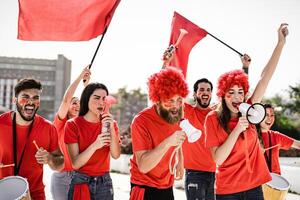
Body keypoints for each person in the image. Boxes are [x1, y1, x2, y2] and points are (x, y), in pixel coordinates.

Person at [205, 23, 288, 200]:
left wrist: (280, 43)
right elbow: (218, 159)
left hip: (254, 188)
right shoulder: (212, 119)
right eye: (231, 93)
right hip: (228, 192)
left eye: (240, 92)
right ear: (223, 95)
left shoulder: (251, 110)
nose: (237, 97)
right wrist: (236, 130)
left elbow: (265, 78)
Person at [162, 42, 251, 200]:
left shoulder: (217, 113)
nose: (205, 93)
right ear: (195, 94)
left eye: (208, 90)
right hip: (194, 175)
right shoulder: (187, 110)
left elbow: (240, 97)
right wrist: (166, 64)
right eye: (201, 90)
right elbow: (167, 92)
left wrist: (245, 68)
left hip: (217, 173)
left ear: (212, 94)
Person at [129, 67, 188, 200]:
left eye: (179, 100)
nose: (175, 106)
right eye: (169, 100)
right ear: (157, 100)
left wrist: (180, 159)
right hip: (144, 186)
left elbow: (179, 131)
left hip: (167, 184)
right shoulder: (141, 121)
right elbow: (143, 166)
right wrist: (167, 142)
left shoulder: (177, 112)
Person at [0, 78, 64, 200]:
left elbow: (60, 163)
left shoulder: (48, 128)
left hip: (35, 195)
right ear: (15, 100)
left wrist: (50, 158)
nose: (31, 101)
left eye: (35, 98)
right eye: (25, 96)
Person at [65, 82, 120, 200]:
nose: (101, 102)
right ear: (86, 99)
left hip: (104, 182)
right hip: (81, 181)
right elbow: (75, 163)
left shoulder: (111, 124)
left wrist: (111, 129)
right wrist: (95, 145)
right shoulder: (73, 125)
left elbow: (115, 155)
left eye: (104, 99)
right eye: (96, 98)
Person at [50, 66, 91, 200]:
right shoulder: (61, 123)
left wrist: (87, 84)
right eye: (74, 103)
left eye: (79, 103)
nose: (77, 105)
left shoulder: (84, 123)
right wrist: (80, 76)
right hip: (62, 177)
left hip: (83, 177)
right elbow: (66, 99)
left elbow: (91, 104)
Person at [257, 103, 300, 175]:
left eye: (272, 115)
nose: (270, 119)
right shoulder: (250, 135)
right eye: (266, 115)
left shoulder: (276, 136)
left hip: (276, 180)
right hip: (257, 181)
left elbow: (298, 145)